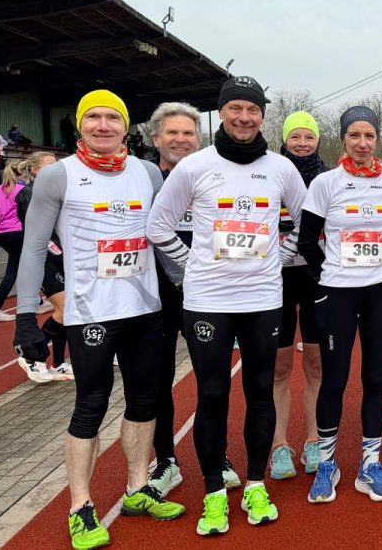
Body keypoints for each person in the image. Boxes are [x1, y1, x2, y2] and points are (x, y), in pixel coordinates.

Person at [16, 90, 184, 549]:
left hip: (145, 310)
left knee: (145, 401)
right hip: (92, 313)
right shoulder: (57, 175)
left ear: (126, 126)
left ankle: (136, 488)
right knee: (91, 404)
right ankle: (81, 506)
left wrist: (187, 283)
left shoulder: (147, 171)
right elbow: (32, 247)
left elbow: (161, 234)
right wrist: (25, 317)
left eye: (113, 117)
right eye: (94, 118)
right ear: (81, 126)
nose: (104, 125)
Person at [148, 76, 305, 535]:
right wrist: (190, 264)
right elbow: (159, 226)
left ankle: (256, 484)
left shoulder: (280, 169)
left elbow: (307, 221)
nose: (243, 117)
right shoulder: (195, 166)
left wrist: (282, 255)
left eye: (252, 110)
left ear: (262, 116)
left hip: (262, 300)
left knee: (260, 393)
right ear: (223, 112)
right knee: (212, 395)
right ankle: (214, 493)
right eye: (235, 108)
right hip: (208, 302)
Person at [298, 106, 382, 503]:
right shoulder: (326, 183)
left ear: (377, 140)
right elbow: (307, 241)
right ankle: (327, 464)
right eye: (354, 136)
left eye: (369, 136)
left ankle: (369, 463)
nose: (362, 143)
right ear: (343, 139)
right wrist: (327, 277)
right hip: (337, 293)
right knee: (335, 379)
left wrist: (375, 265)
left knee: (376, 378)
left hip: (381, 291)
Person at [144, 101, 203, 496]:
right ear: (155, 138)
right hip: (156, 297)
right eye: (172, 133)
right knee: (158, 380)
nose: (181, 140)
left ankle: (217, 455)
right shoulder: (140, 178)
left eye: (188, 134)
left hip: (203, 294)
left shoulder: (210, 175)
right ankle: (166, 458)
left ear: (198, 140)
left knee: (212, 379)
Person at [270, 111, 328, 481]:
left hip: (316, 276)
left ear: (318, 141)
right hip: (275, 279)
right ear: (285, 140)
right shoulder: (270, 172)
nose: (302, 143)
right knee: (279, 368)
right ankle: (278, 445)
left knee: (317, 366)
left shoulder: (327, 178)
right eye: (296, 137)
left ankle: (313, 440)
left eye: (309, 137)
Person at [14, 151, 70, 380]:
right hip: (45, 260)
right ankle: (32, 357)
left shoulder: (58, 191)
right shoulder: (29, 194)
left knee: (67, 312)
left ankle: (58, 362)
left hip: (63, 257)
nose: (55, 170)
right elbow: (38, 234)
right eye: (49, 166)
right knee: (65, 310)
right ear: (35, 170)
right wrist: (59, 249)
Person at [0, 160, 26, 319]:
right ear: (20, 174)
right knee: (12, 271)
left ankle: (39, 303)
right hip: (18, 232)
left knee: (22, 267)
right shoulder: (22, 190)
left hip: (2, 233)